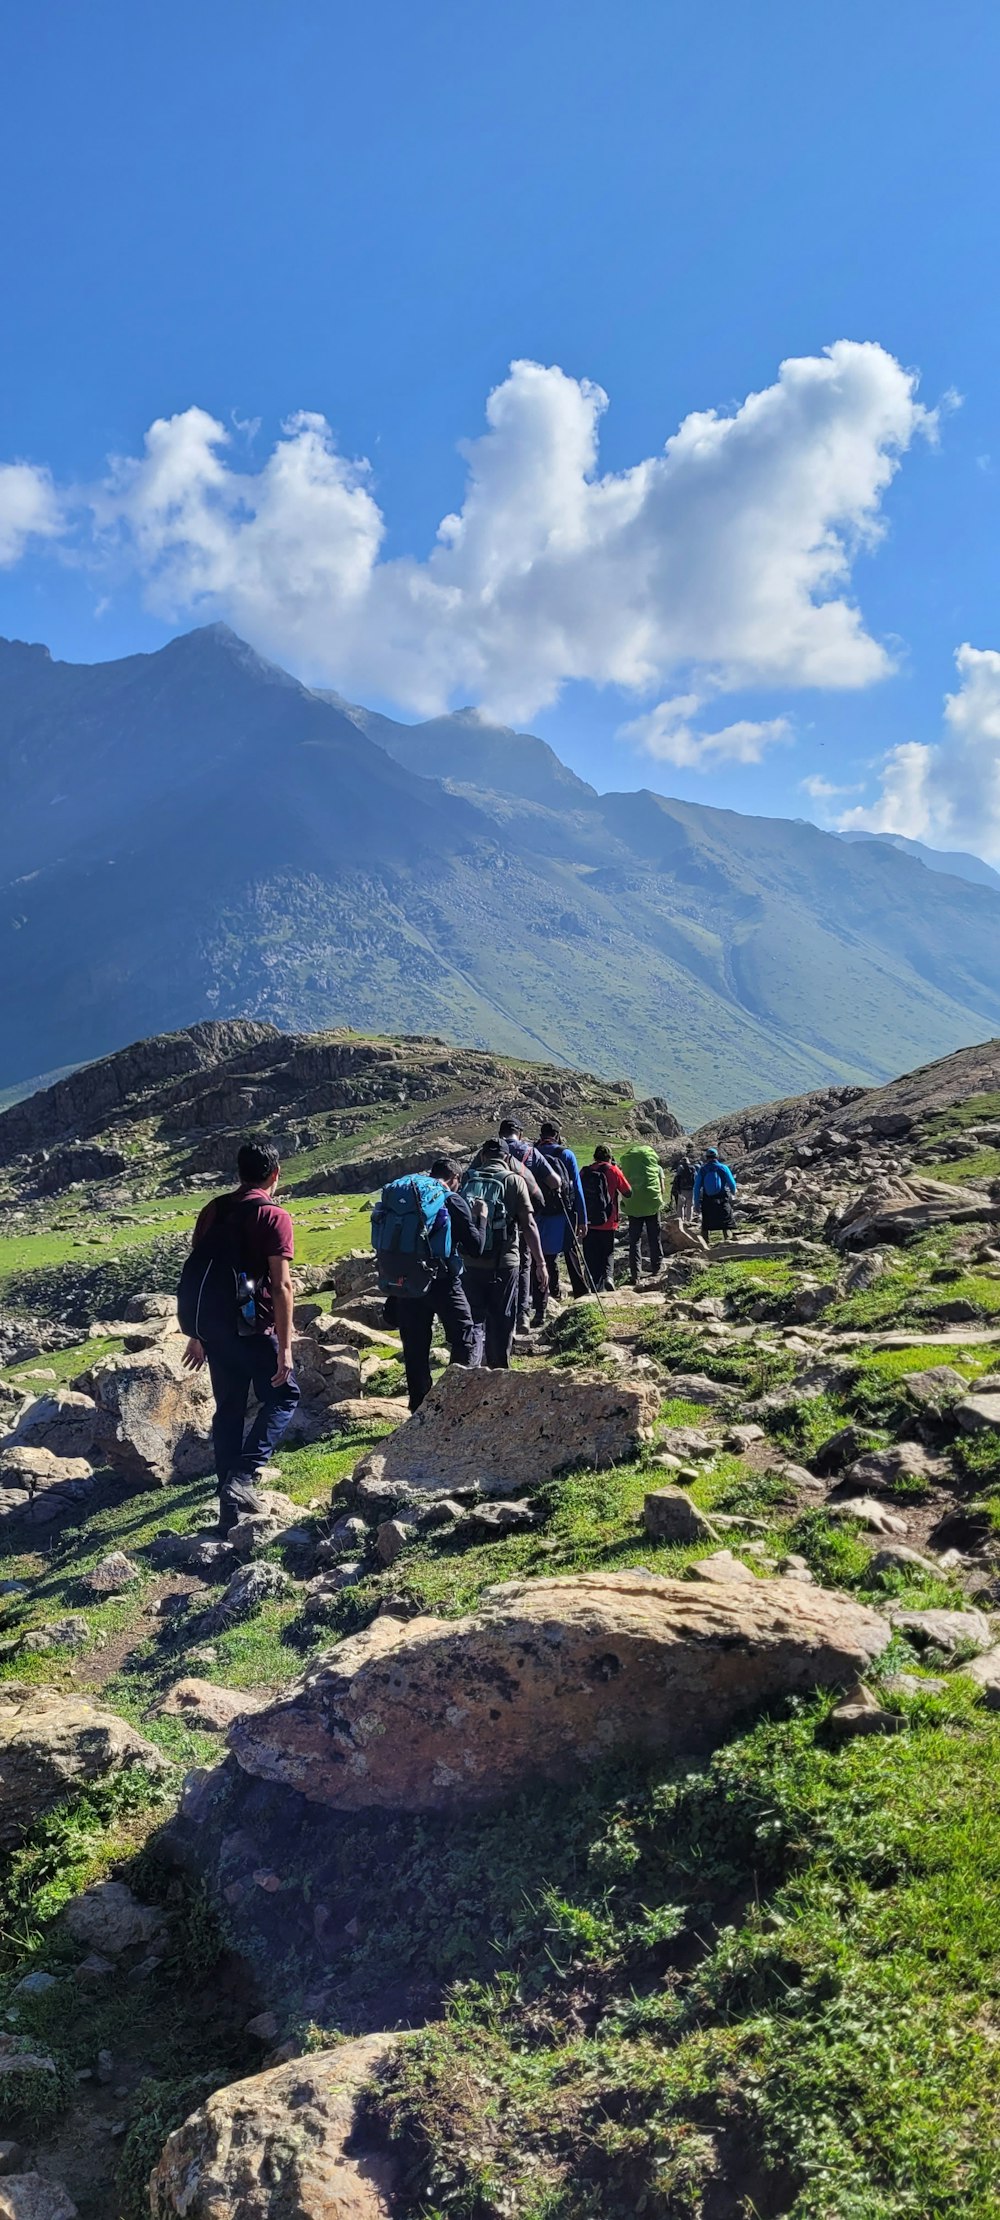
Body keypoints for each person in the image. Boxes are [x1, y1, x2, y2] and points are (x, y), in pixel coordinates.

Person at [179, 1137, 300, 1533]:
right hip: (254, 1326)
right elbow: (281, 1286)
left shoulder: (214, 1209)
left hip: (215, 1330)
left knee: (228, 1411)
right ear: (274, 1175)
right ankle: (244, 1477)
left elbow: (200, 1270)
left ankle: (227, 1512)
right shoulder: (273, 1216)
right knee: (283, 1396)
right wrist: (285, 1348)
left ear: (239, 1173)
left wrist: (197, 1334)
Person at [393, 1159, 484, 1412]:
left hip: (407, 1280)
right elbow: (475, 1247)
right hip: (442, 1280)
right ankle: (454, 1402)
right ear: (454, 1178)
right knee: (464, 1336)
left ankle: (418, 1409)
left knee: (415, 1347)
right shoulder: (451, 1199)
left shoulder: (408, 1194)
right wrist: (481, 1218)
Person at [461, 1137, 548, 1367]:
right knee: (502, 1318)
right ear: (507, 1158)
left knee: (474, 1319)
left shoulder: (468, 1178)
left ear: (482, 1157)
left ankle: (469, 1369)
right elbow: (529, 1225)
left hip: (470, 1261)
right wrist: (541, 1263)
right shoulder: (515, 1181)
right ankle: (499, 1370)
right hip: (505, 1262)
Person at [497, 1119, 553, 1329]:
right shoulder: (530, 1153)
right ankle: (522, 1315)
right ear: (519, 1134)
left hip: (491, 1223)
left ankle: (499, 1317)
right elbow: (554, 1181)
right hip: (523, 1219)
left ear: (500, 1133)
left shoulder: (486, 1153)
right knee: (524, 1264)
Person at [532, 1121, 588, 1319]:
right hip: (564, 1212)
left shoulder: (532, 1153)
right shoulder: (565, 1154)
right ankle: (582, 1294)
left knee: (543, 1256)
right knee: (571, 1251)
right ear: (557, 1134)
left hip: (538, 1213)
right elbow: (577, 1188)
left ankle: (545, 1299)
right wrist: (583, 1219)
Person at [580, 1146, 631, 1291]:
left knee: (590, 1254)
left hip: (588, 1220)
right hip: (608, 1220)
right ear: (609, 1157)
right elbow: (628, 1192)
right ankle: (608, 1276)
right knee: (607, 1252)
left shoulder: (585, 1171)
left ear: (595, 1157)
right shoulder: (613, 1170)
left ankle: (593, 1286)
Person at [618, 1143, 666, 1284]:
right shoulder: (657, 1168)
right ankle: (657, 1267)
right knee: (654, 1237)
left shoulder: (629, 1170)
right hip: (651, 1206)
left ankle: (635, 1274)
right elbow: (662, 1189)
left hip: (633, 1207)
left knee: (634, 1241)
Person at [693, 1145, 738, 1241]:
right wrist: (733, 1193)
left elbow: (696, 1188)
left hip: (708, 1199)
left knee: (706, 1222)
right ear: (717, 1156)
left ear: (706, 1157)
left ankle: (705, 1242)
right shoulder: (723, 1168)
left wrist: (696, 1204)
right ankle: (728, 1239)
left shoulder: (703, 1169)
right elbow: (732, 1183)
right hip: (722, 1198)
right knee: (726, 1221)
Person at [670, 1155, 696, 1224]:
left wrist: (677, 1189)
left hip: (682, 1190)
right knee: (690, 1205)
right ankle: (689, 1220)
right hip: (691, 1189)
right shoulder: (692, 1168)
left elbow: (677, 1179)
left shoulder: (680, 1168)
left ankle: (680, 1220)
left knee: (680, 1205)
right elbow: (695, 1178)